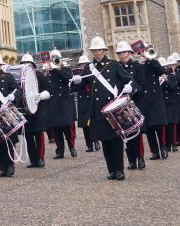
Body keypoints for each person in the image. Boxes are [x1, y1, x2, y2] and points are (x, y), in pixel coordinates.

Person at [70, 36, 134, 180]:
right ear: (92, 51)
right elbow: (79, 87)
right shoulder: (88, 67)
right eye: (94, 50)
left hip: (112, 108)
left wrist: (130, 86)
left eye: (99, 49)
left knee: (116, 140)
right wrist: (76, 81)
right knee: (105, 141)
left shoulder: (113, 65)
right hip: (98, 110)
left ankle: (119, 170)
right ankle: (111, 170)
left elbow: (129, 78)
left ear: (104, 50)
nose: (97, 52)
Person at [132, 50, 168, 162]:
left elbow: (161, 71)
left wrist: (150, 60)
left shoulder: (153, 63)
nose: (143, 55)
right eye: (142, 52)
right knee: (148, 128)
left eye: (145, 52)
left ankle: (163, 147)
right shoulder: (138, 65)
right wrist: (140, 63)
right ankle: (155, 151)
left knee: (159, 125)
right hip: (143, 99)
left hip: (155, 98)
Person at [45, 50, 76, 159]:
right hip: (53, 102)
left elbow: (69, 78)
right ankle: (60, 151)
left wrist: (59, 68)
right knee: (56, 129)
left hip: (64, 101)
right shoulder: (49, 70)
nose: (55, 59)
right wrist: (46, 73)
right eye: (53, 57)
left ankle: (72, 147)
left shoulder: (66, 68)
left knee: (67, 128)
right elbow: (44, 83)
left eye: (56, 57)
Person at [73, 55, 97, 152]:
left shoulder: (92, 72)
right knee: (85, 125)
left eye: (85, 64)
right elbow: (74, 89)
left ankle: (95, 141)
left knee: (92, 123)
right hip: (82, 101)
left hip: (91, 99)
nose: (83, 66)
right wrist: (76, 81)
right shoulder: (77, 74)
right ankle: (89, 145)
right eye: (82, 64)